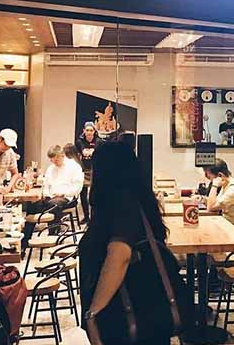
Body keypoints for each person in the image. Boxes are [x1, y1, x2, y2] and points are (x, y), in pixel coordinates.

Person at [79, 141, 171, 345]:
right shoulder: (138, 200)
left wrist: (93, 313)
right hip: (145, 313)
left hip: (126, 315)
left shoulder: (121, 202)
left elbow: (120, 256)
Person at [23, 144, 84, 244]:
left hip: (67, 197)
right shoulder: (51, 168)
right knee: (33, 204)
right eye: (51, 160)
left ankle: (53, 235)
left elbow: (77, 188)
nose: (54, 163)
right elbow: (46, 185)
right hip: (51, 197)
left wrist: (62, 193)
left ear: (62, 156)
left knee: (53, 205)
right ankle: (26, 239)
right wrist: (46, 194)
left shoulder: (74, 167)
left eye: (56, 160)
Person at [76, 122, 101, 224]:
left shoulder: (99, 141)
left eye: (91, 130)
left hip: (95, 169)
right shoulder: (79, 141)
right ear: (84, 131)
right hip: (83, 169)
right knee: (83, 194)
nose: (89, 132)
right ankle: (86, 217)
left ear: (94, 132)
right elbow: (82, 152)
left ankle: (95, 217)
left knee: (94, 194)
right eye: (87, 130)